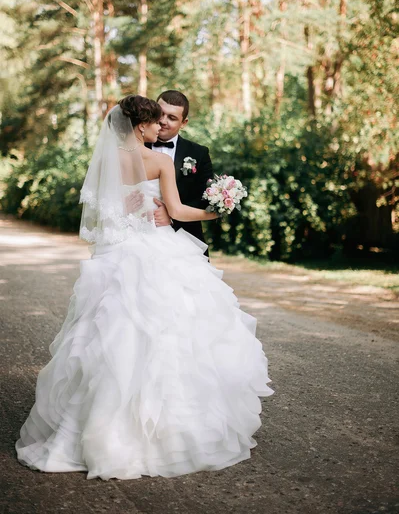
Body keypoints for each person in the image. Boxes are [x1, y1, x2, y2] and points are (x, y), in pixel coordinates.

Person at [16, 96, 273, 480]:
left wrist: (131, 208)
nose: (159, 128)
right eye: (154, 122)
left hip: (118, 254)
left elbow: (103, 218)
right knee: (177, 331)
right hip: (156, 247)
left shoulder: (105, 161)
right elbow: (179, 212)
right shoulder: (159, 161)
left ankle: (93, 428)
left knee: (110, 337)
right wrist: (217, 210)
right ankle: (169, 432)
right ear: (141, 126)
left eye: (167, 121)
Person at [148, 90, 213, 248]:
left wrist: (172, 214)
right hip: (141, 235)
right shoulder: (134, 148)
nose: (163, 121)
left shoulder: (199, 153)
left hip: (185, 238)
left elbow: (205, 198)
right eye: (161, 114)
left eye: (172, 118)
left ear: (184, 123)